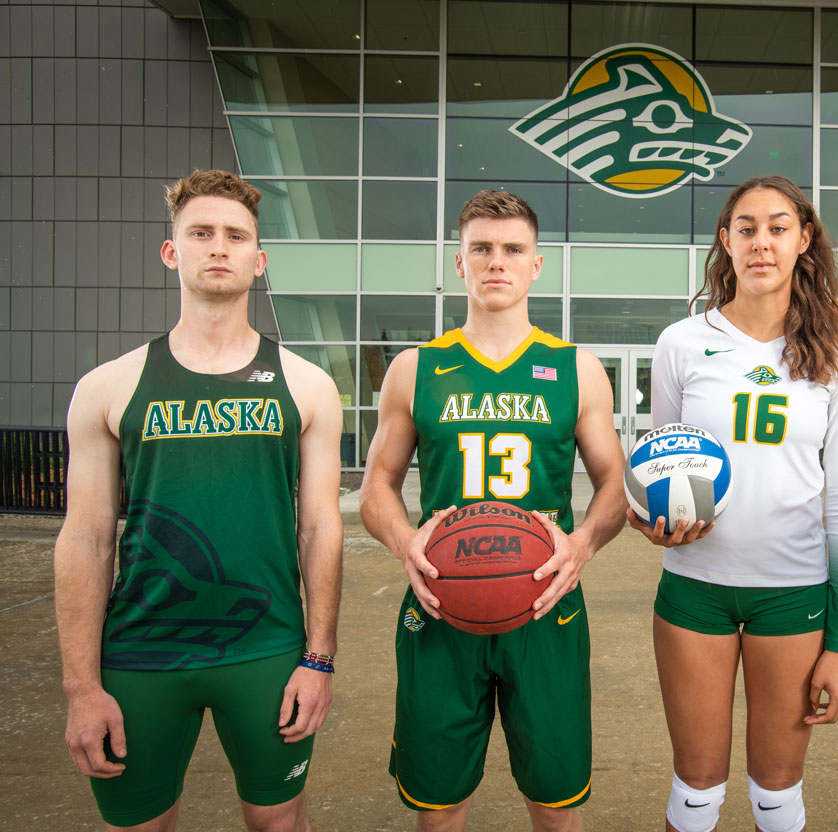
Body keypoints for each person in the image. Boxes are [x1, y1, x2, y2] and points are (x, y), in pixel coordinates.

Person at [54, 169, 344, 832]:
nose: (219, 246)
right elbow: (87, 538)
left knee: (278, 822)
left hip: (267, 649)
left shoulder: (306, 386)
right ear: (171, 251)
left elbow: (320, 528)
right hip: (138, 654)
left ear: (258, 259)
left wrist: (319, 657)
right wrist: (81, 686)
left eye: (236, 235)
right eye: (201, 233)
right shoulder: (109, 387)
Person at [359, 189, 627, 832]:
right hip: (442, 601)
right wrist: (406, 545)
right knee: (440, 802)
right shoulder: (415, 368)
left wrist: (582, 545)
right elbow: (376, 489)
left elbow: (615, 482)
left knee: (557, 800)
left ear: (537, 265)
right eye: (481, 248)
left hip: (545, 604)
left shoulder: (577, 369)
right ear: (459, 261)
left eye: (512, 249)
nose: (495, 262)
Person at [629, 174, 838, 832]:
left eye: (778, 226)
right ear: (726, 241)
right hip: (694, 588)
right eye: (747, 228)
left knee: (776, 795)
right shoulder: (682, 342)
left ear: (804, 239)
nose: (762, 241)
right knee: (696, 793)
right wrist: (654, 521)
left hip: (794, 594)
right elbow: (664, 465)